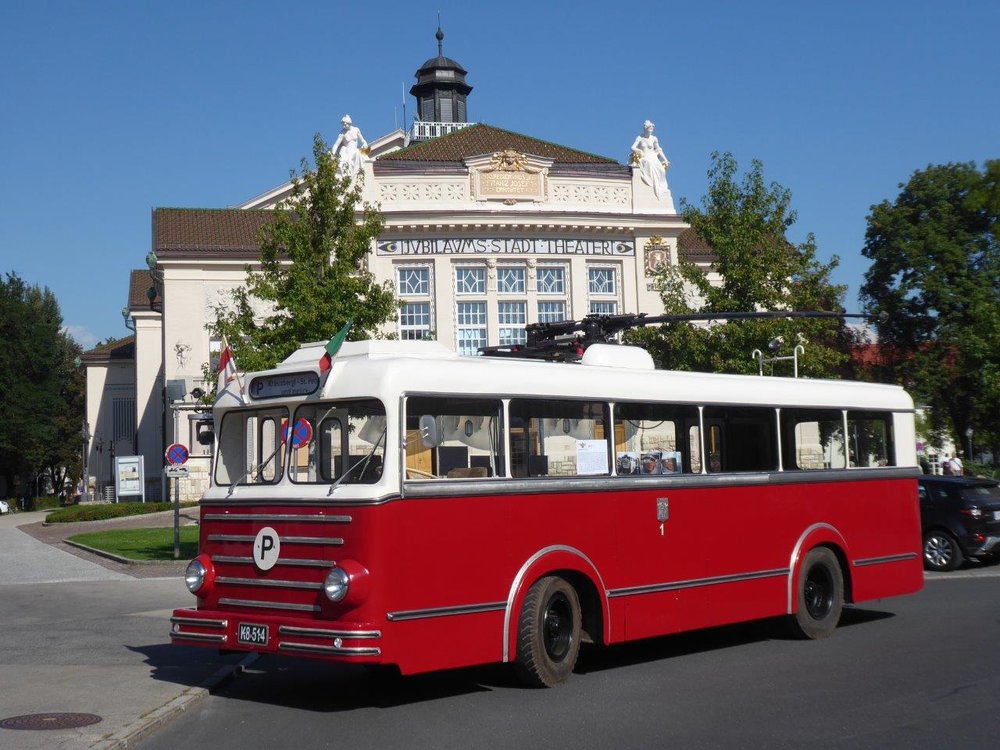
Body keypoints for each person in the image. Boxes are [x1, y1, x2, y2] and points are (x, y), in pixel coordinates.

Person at [631, 120, 670, 199]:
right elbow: (632, 147)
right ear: (646, 128)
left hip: (653, 157)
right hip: (645, 157)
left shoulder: (654, 138)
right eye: (650, 128)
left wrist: (665, 160)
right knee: (649, 164)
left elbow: (659, 149)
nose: (651, 130)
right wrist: (639, 151)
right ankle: (652, 186)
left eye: (652, 129)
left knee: (661, 170)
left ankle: (660, 188)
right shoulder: (640, 138)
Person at [332, 115, 368, 180]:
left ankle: (358, 174)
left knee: (359, 154)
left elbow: (362, 140)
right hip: (347, 152)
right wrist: (333, 153)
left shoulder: (356, 130)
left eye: (345, 123)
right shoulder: (342, 133)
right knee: (345, 164)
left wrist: (365, 144)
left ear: (349, 123)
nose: (344, 125)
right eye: (343, 124)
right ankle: (349, 177)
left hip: (354, 150)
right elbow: (336, 145)